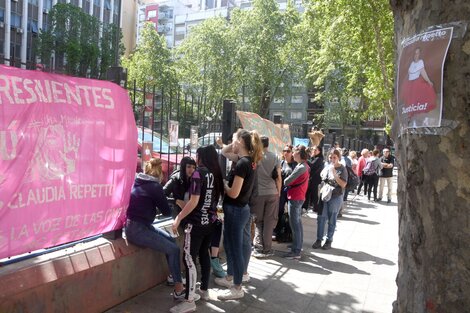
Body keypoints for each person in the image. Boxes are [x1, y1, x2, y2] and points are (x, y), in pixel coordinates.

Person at [169, 146, 224, 313]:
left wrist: (178, 218)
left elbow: (193, 201)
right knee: (203, 256)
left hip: (196, 224)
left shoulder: (198, 174)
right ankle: (203, 290)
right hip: (209, 223)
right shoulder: (214, 174)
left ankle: (189, 300)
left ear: (199, 157)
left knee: (189, 259)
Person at [124, 158, 186, 302]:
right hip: (138, 230)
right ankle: (178, 288)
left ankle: (173, 276)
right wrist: (173, 201)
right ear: (160, 175)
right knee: (174, 249)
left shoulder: (138, 181)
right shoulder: (155, 187)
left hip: (135, 226)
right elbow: (166, 212)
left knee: (171, 241)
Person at [214, 129, 262, 300]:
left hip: (236, 209)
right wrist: (231, 144)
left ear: (241, 141)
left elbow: (234, 193)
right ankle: (231, 278)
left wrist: (225, 185)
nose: (230, 143)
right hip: (239, 210)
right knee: (231, 246)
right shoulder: (248, 161)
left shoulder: (242, 164)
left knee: (235, 250)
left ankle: (237, 287)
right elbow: (224, 151)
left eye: (233, 140)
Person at [251, 136, 282, 258]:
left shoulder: (256, 156)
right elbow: (278, 177)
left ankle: (258, 247)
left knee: (259, 221)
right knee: (269, 221)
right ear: (268, 144)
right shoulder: (275, 157)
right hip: (272, 192)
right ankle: (267, 248)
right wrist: (278, 192)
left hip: (259, 192)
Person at [312, 149, 348, 250]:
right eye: (330, 157)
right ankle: (319, 240)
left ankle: (329, 240)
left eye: (334, 157)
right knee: (321, 218)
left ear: (338, 158)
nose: (332, 159)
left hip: (335, 197)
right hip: (325, 195)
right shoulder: (326, 167)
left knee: (332, 219)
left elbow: (343, 184)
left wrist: (335, 174)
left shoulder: (342, 169)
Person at [283, 145, 310, 260]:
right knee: (297, 224)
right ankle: (297, 245)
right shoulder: (304, 166)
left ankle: (296, 251)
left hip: (295, 197)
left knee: (295, 224)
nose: (292, 154)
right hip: (298, 196)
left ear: (299, 154)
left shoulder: (301, 167)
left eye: (294, 152)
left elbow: (286, 181)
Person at [401, 47, 437, 119]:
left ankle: (417, 112)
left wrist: (428, 81)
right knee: (410, 98)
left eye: (417, 53)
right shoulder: (411, 63)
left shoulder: (421, 62)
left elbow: (423, 72)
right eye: (415, 53)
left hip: (416, 82)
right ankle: (410, 114)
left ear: (420, 54)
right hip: (409, 83)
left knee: (418, 95)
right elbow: (409, 73)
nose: (416, 55)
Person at [273, 144, 297, 240]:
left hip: (291, 191)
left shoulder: (295, 165)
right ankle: (278, 231)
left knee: (292, 213)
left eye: (288, 151)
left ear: (292, 153)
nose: (286, 153)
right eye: (284, 151)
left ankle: (291, 233)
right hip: (281, 190)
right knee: (279, 211)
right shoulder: (281, 163)